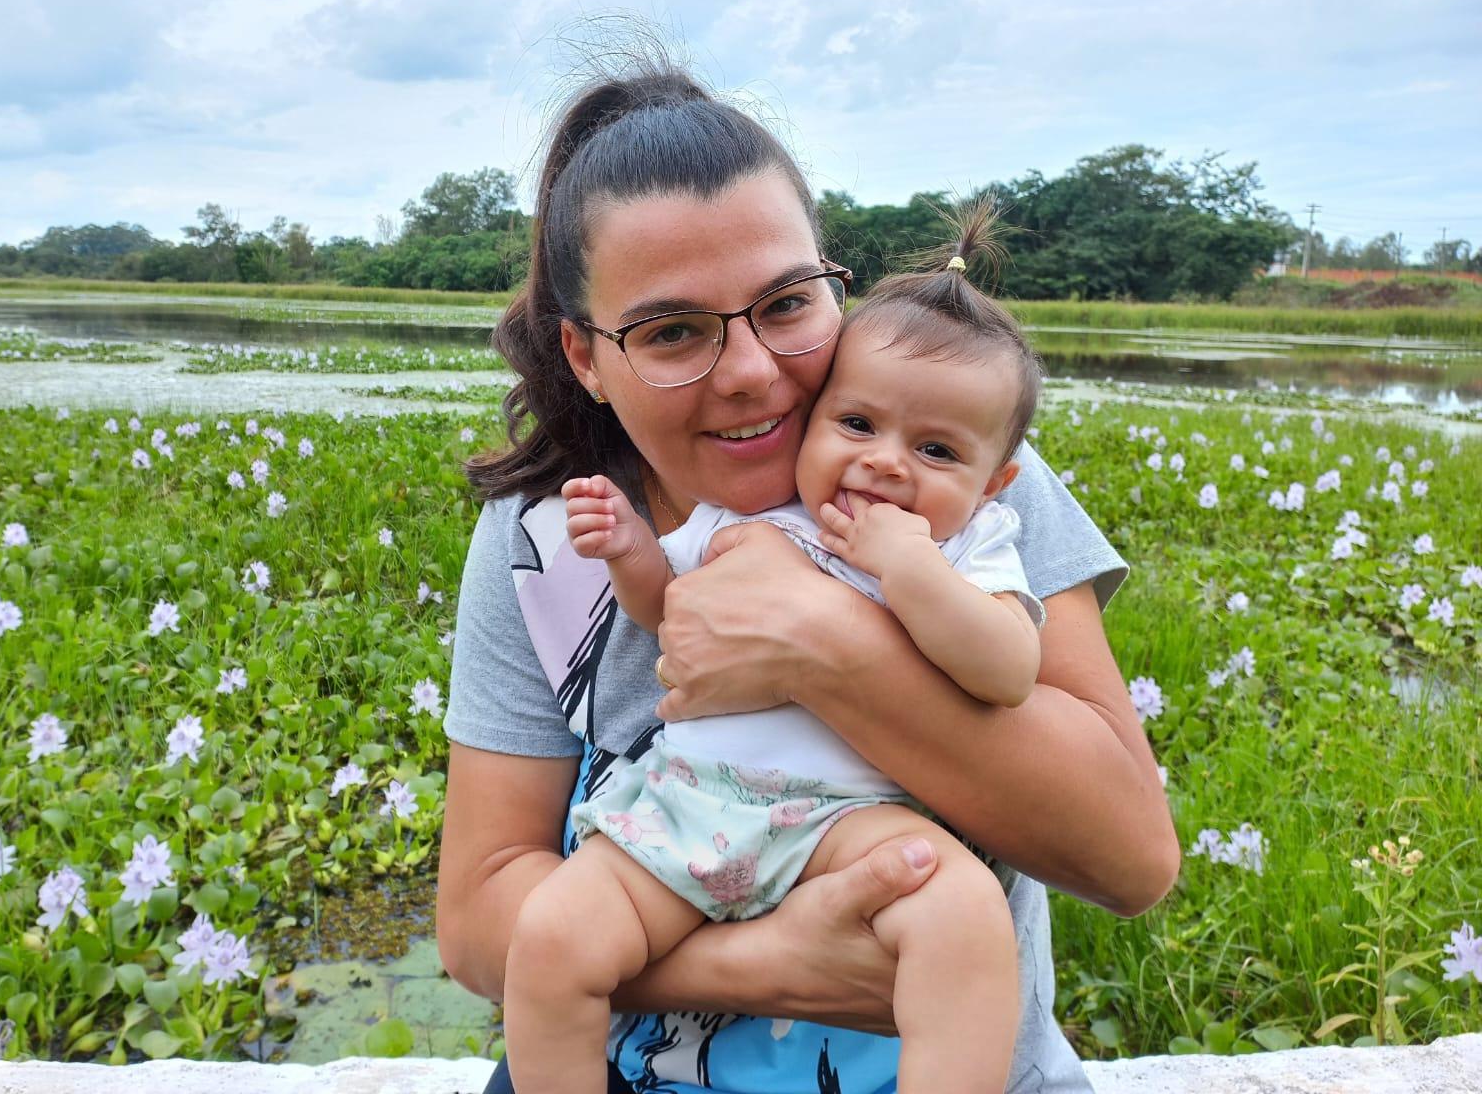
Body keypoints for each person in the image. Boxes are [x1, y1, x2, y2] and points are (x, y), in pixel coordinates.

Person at [438, 58, 1179, 1094]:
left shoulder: (955, 482)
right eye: (671, 331)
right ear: (584, 356)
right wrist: (772, 969)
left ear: (835, 282)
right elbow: (478, 922)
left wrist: (824, 649)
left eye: (786, 304)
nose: (747, 370)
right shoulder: (548, 533)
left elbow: (1130, 858)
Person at [502, 200, 1046, 1094]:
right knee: (554, 935)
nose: (885, 465)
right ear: (817, 414)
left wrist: (910, 570)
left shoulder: (973, 546)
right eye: (859, 426)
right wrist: (632, 550)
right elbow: (667, 611)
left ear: (996, 481)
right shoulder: (763, 511)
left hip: (844, 821)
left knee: (962, 915)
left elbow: (1007, 668)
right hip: (687, 805)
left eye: (937, 450)